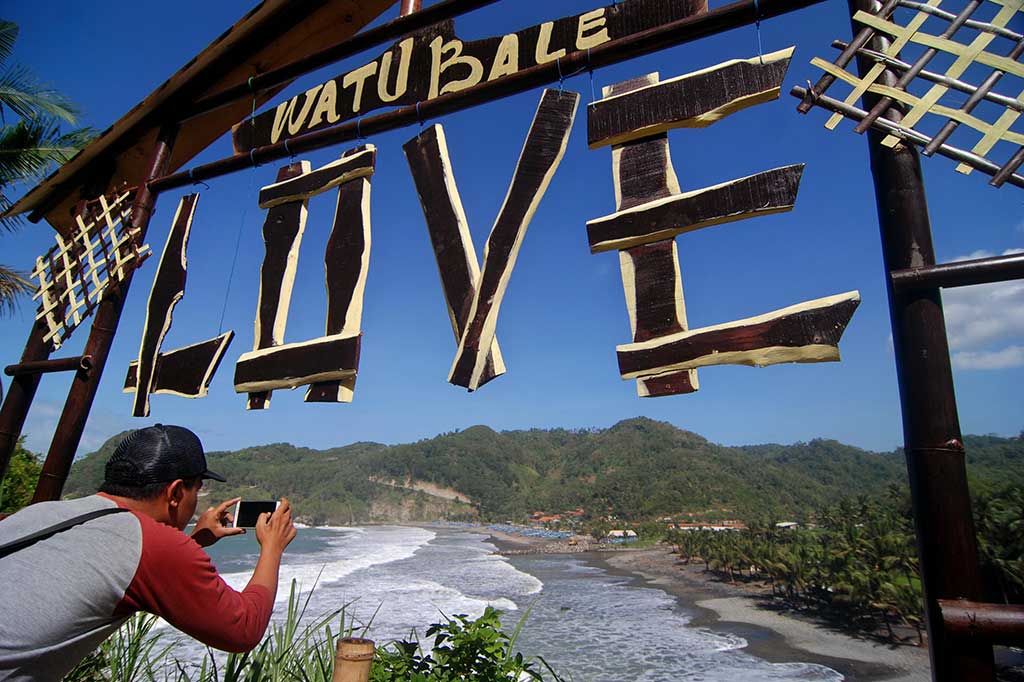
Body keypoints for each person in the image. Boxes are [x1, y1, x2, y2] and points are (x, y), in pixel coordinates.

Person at [0, 424, 297, 681]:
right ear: (176, 492)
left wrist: (194, 541)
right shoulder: (157, 546)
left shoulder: (40, 513)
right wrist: (272, 547)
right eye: (198, 489)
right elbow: (242, 628)